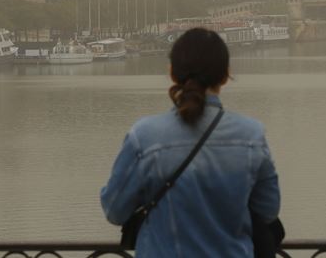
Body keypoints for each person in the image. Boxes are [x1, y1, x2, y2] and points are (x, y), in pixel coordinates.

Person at [101, 27, 280, 257]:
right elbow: (268, 210)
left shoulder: (144, 137)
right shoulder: (251, 136)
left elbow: (114, 210)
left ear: (173, 73)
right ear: (225, 75)